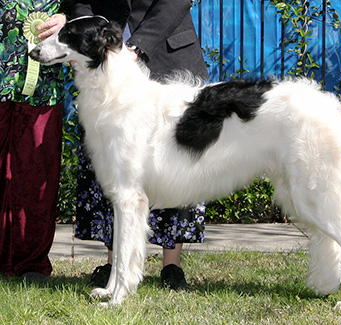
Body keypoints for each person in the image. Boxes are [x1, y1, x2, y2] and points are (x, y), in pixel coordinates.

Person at [64, 0, 209, 290]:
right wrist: (84, 39)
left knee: (175, 163)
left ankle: (172, 266)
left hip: (168, 54)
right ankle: (115, 264)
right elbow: (78, 2)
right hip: (104, 63)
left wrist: (138, 46)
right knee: (112, 167)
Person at [0, 1, 67, 281]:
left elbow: (85, 7)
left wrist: (67, 17)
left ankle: (32, 263)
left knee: (37, 172)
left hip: (43, 85)